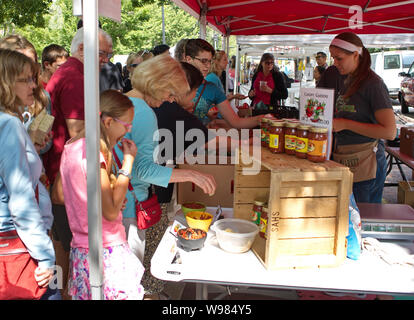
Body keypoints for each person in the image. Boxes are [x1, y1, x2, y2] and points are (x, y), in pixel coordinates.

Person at [113, 54, 216, 299]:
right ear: (159, 85)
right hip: (128, 206)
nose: (171, 100)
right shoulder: (145, 113)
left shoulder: (122, 100)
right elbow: (142, 169)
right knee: (127, 283)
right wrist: (190, 174)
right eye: (170, 94)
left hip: (113, 201)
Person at [43, 26, 113, 299]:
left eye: (109, 55)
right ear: (83, 49)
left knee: (63, 246)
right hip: (68, 175)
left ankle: (61, 293)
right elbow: (77, 130)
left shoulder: (72, 73)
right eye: (103, 54)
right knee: (70, 248)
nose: (106, 61)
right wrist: (109, 123)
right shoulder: (74, 77)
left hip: (62, 172)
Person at [58, 90, 144, 300]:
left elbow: (62, 194)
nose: (128, 130)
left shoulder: (72, 147)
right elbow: (111, 211)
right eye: (126, 125)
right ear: (107, 122)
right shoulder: (93, 153)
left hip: (82, 250)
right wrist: (128, 163)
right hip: (105, 251)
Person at [0, 49, 55, 298]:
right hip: (17, 245)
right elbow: (20, 198)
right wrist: (45, 255)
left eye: (34, 78)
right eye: (27, 79)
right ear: (6, 82)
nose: (34, 85)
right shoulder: (9, 124)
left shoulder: (10, 121)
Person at [329, 32, 396, 203]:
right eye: (333, 58)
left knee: (362, 217)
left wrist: (345, 123)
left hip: (366, 163)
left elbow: (389, 132)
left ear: (355, 55)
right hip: (347, 157)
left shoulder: (373, 84)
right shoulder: (349, 80)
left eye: (339, 58)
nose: (335, 63)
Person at [183, 38, 263, 128]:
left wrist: (261, 118)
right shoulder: (173, 84)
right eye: (203, 61)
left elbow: (236, 122)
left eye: (210, 61)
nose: (208, 65)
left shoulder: (212, 89)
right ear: (188, 59)